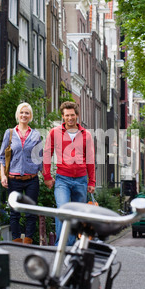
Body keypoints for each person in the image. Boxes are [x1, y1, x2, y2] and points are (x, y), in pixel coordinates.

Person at [43, 101, 96, 246]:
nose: (70, 118)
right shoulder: (54, 133)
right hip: (62, 180)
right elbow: (47, 154)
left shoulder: (86, 135)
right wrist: (47, 176)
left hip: (81, 180)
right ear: (63, 116)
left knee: (76, 215)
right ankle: (60, 245)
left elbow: (91, 159)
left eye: (72, 115)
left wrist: (92, 182)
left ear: (77, 115)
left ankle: (69, 245)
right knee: (63, 210)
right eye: (67, 115)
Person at [0, 102, 42, 244]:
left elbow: (40, 158)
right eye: (22, 112)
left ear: (30, 116)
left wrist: (47, 177)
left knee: (30, 212)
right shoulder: (9, 133)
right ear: (18, 115)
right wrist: (3, 175)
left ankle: (28, 240)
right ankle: (17, 241)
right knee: (14, 212)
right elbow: (1, 157)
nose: (24, 115)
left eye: (27, 113)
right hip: (13, 178)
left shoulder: (36, 135)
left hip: (31, 179)